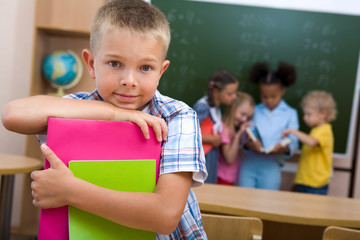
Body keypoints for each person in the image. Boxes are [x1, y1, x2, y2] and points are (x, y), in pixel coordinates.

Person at [2, 0, 208, 239]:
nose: (129, 80)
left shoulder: (176, 117)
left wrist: (70, 191)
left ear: (161, 72)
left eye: (145, 68)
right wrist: (113, 113)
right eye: (114, 63)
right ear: (91, 64)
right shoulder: (79, 106)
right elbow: (13, 115)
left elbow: (165, 216)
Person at [239, 61, 299, 190]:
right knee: (242, 199)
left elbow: (294, 141)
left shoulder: (290, 113)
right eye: (264, 96)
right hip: (248, 164)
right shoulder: (254, 110)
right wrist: (249, 143)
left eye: (273, 96)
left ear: (283, 90)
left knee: (266, 202)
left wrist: (283, 148)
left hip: (272, 165)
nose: (269, 100)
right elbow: (244, 134)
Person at [282, 90, 337, 195]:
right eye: (304, 114)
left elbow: (312, 142)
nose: (304, 117)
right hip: (304, 181)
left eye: (309, 114)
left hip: (316, 184)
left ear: (323, 113)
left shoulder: (325, 130)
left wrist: (292, 131)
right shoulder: (314, 131)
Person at [193, 70, 238, 183]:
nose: (234, 97)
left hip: (211, 159)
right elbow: (190, 133)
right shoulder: (202, 108)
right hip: (203, 160)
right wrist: (213, 139)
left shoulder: (216, 108)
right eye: (230, 94)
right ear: (216, 91)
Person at [217, 92, 255, 185]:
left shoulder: (231, 129)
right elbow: (229, 158)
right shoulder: (225, 129)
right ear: (233, 108)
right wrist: (238, 135)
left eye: (247, 116)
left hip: (228, 178)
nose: (244, 119)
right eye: (242, 114)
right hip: (222, 178)